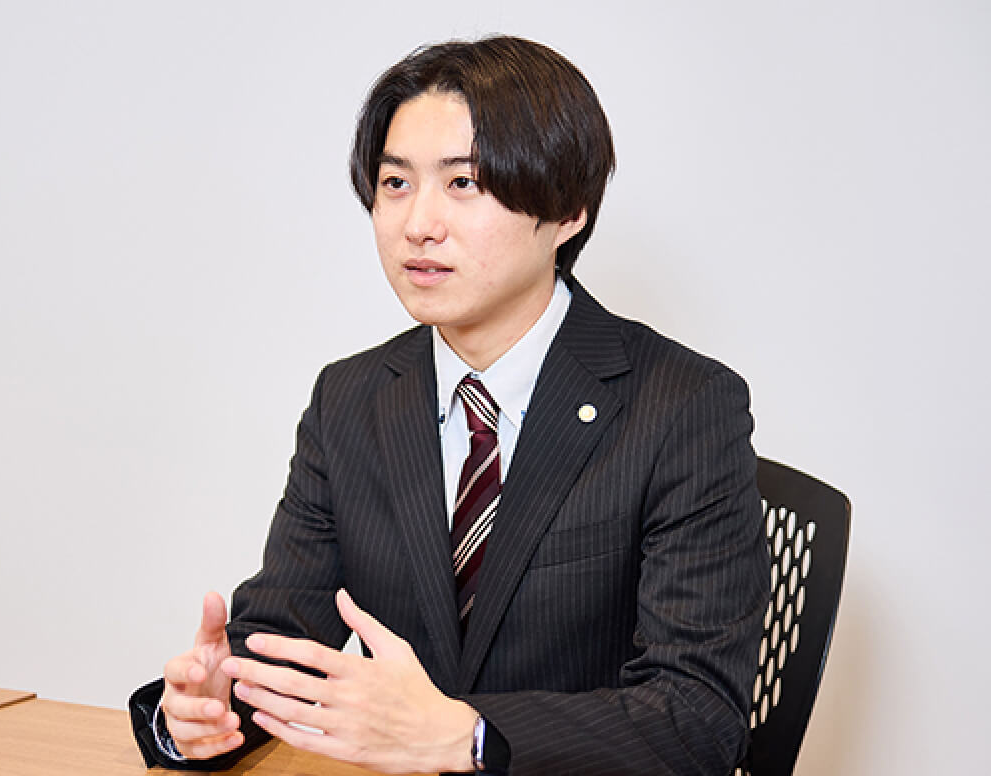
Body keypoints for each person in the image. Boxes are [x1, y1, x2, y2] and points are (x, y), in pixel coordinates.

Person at [129, 35, 769, 776]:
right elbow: (280, 640)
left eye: (463, 182)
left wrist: (470, 736)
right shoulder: (351, 400)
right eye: (395, 183)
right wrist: (205, 713)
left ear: (568, 210)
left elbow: (697, 717)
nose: (417, 224)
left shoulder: (684, 406)